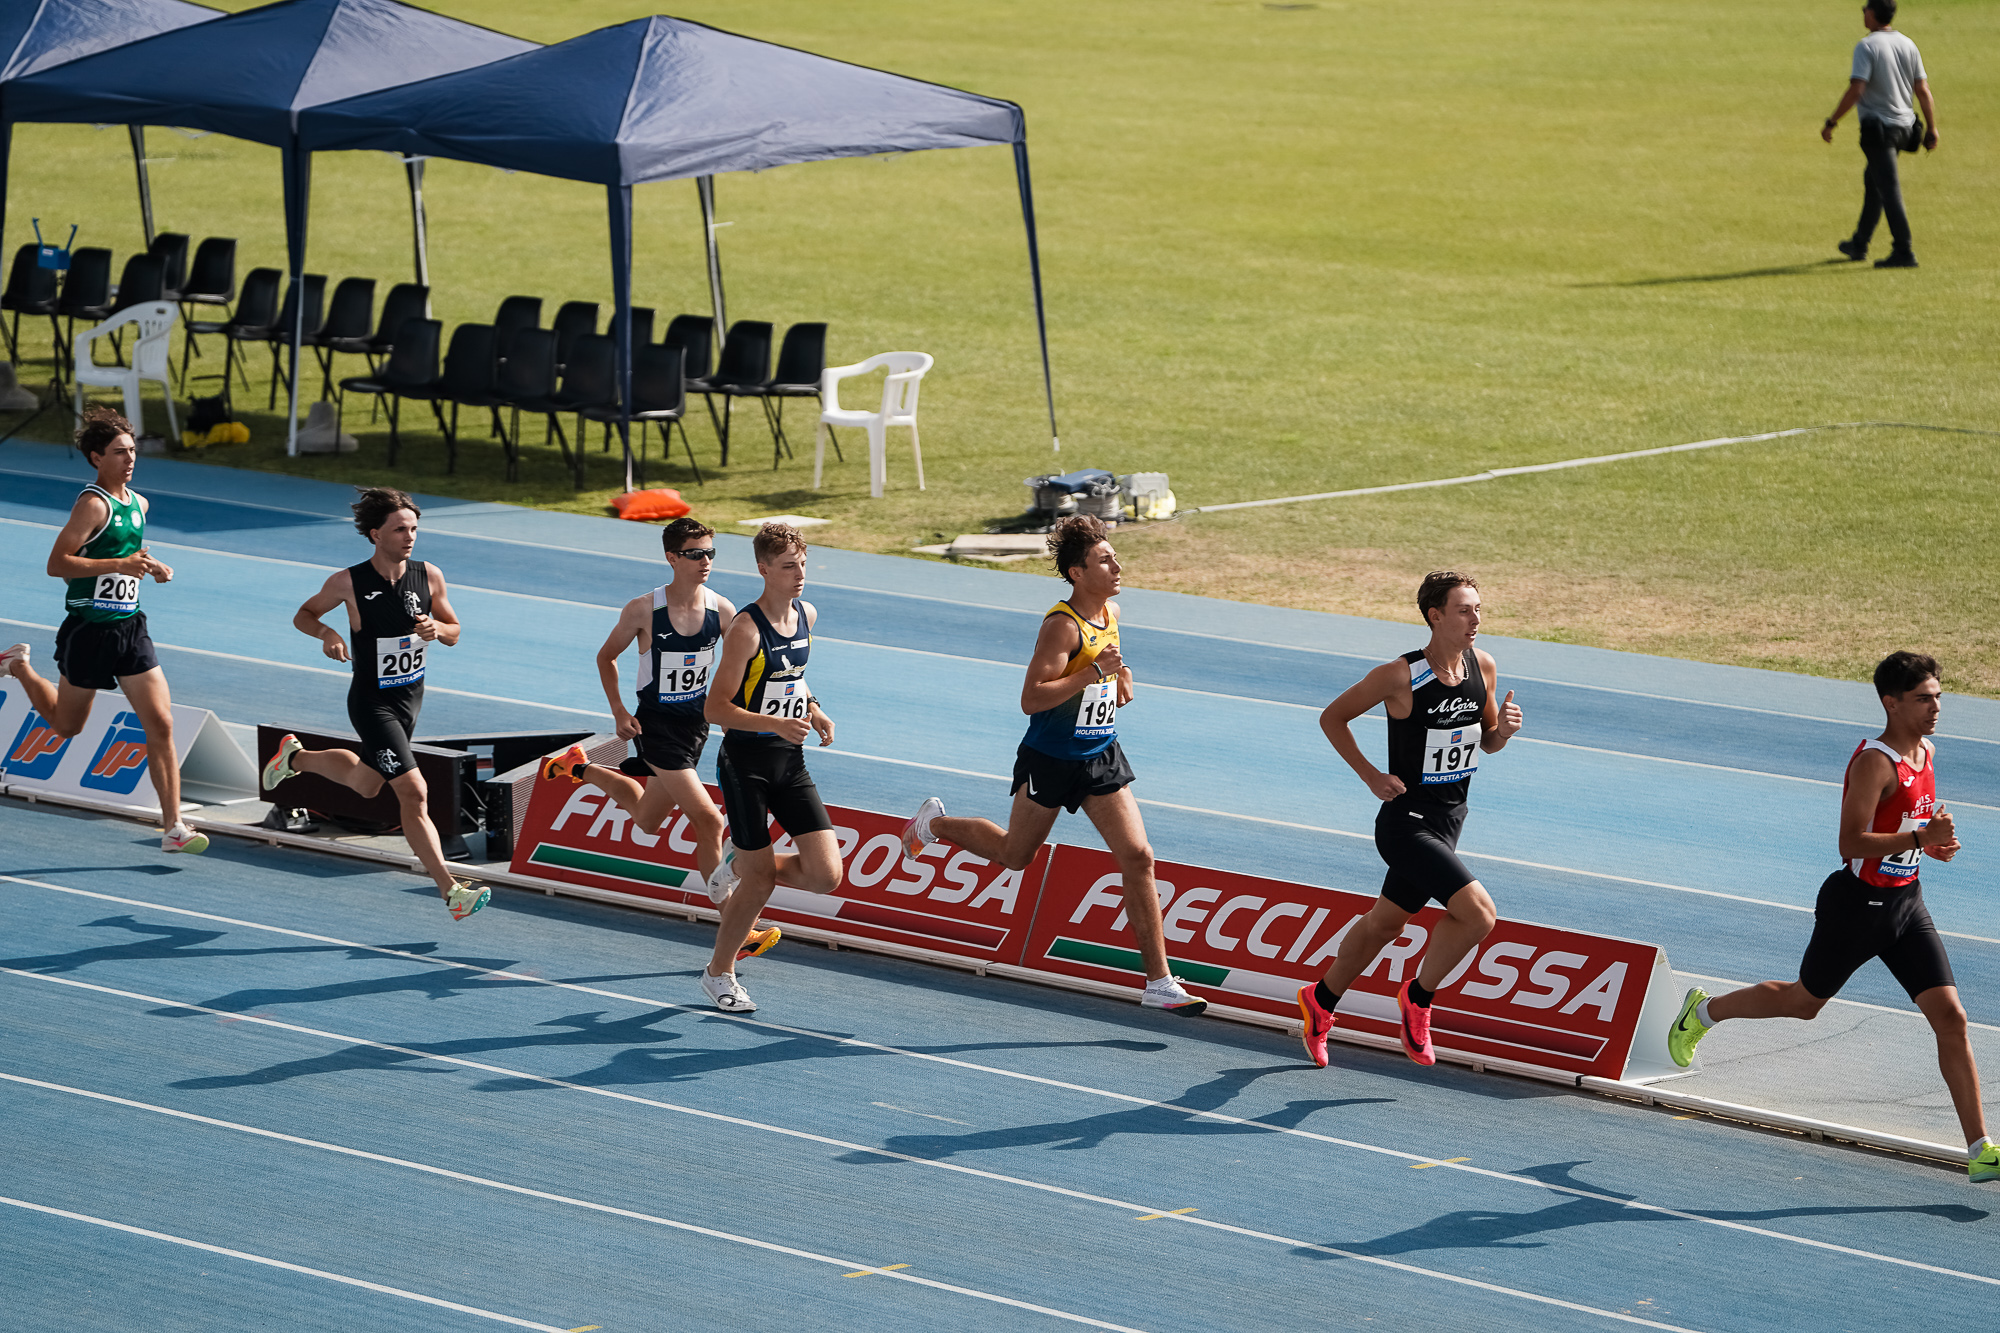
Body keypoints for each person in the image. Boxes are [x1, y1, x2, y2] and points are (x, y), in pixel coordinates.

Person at [1667, 652, 1998, 1183]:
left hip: (1906, 905)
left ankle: (1980, 1149)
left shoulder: (1927, 752)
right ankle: (1703, 1013)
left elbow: (1904, 828)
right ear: (1892, 703)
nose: (1936, 707)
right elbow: (1850, 842)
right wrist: (1920, 837)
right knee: (1803, 1004)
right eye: (1923, 699)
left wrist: (1930, 847)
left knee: (1952, 1018)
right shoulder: (1874, 763)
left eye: (1938, 696)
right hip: (1857, 908)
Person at [899, 514, 1208, 1016]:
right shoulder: (1061, 627)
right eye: (1104, 561)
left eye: (1115, 557)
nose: (1117, 567)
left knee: (1138, 856)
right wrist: (1091, 674)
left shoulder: (1111, 611)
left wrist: (1122, 674)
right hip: (1050, 759)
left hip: (1100, 754)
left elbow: (1109, 656)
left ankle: (1159, 982)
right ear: (1077, 573)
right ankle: (934, 824)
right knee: (1014, 854)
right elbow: (1032, 698)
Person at [1296, 571, 1524, 1069]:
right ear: (1435, 616)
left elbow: (1487, 741)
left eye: (1478, 609)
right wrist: (1371, 776)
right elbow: (1333, 717)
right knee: (1479, 915)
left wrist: (1503, 732)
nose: (1476, 619)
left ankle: (1320, 1000)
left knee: (1385, 923)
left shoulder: (1482, 666)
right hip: (1406, 823)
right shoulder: (1400, 675)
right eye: (1464, 610)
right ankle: (1418, 999)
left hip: (1450, 820)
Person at [540, 517, 777, 964]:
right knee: (709, 821)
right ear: (672, 557)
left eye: (710, 553)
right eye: (695, 554)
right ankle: (736, 923)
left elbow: (746, 665)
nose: (705, 561)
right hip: (656, 728)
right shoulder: (643, 610)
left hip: (696, 727)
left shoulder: (722, 609)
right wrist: (619, 711)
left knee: (649, 820)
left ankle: (579, 767)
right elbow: (606, 657)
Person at [260, 487, 487, 921]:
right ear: (375, 534)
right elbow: (304, 615)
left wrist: (437, 629)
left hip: (410, 701)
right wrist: (328, 634)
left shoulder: (429, 575)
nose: (410, 537)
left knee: (365, 784)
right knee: (414, 792)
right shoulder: (348, 582)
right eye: (400, 529)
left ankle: (295, 758)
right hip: (371, 702)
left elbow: (455, 630)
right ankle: (452, 890)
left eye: (414, 528)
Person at [0, 406, 207, 854]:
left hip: (130, 628)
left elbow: (129, 553)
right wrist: (120, 564)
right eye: (119, 452)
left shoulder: (139, 503)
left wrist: (151, 565)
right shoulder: (92, 504)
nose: (130, 459)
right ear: (97, 458)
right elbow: (58, 564)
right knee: (66, 726)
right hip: (88, 631)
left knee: (161, 724)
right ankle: (17, 666)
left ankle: (173, 826)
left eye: (132, 450)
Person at [696, 523, 843, 1012]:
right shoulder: (745, 629)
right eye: (787, 567)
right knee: (761, 882)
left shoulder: (806, 614)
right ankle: (719, 973)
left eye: (802, 564)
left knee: (825, 876)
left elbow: (790, 676)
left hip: (789, 761)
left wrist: (814, 708)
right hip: (746, 764)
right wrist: (775, 723)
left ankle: (737, 863)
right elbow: (715, 708)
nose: (799, 575)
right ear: (763, 569)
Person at [1826, 0, 1937, 269]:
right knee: (1874, 181)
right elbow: (1922, 90)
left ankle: (1904, 250)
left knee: (1888, 188)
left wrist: (1832, 121)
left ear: (1873, 13)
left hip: (1880, 131)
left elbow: (1857, 89)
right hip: (1905, 129)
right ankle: (1859, 243)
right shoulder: (1908, 44)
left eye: (1865, 8)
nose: (1863, 12)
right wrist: (1932, 128)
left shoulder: (1867, 46)